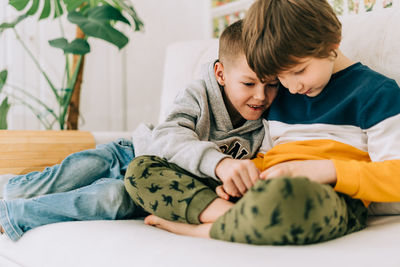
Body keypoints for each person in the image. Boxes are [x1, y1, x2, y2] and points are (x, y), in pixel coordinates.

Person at [132, 0, 400, 245]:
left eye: (299, 71)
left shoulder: (377, 94)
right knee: (142, 169)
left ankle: (202, 227)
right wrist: (241, 174)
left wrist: (327, 170)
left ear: (334, 43)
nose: (292, 87)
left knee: (286, 198)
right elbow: (266, 154)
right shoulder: (280, 94)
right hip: (264, 189)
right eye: (279, 78)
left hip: (327, 197)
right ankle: (234, 215)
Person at [124, 19, 280, 232]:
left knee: (113, 198)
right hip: (131, 150)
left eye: (272, 84)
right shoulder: (198, 95)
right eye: (248, 83)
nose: (261, 96)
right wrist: (220, 164)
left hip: (192, 182)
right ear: (220, 74)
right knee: (127, 171)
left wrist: (235, 185)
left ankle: (231, 216)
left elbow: (268, 162)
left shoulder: (273, 117)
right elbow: (168, 136)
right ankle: (234, 217)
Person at [0, 137, 148, 241]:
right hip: (130, 154)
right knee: (15, 192)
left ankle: (11, 214)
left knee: (113, 195)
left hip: (146, 191)